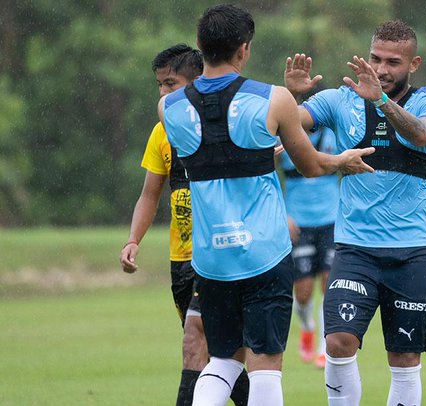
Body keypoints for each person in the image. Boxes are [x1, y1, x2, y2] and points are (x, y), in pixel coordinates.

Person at [159, 5, 374, 406]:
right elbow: (309, 165)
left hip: (211, 259)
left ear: (201, 47)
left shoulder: (169, 109)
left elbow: (221, 134)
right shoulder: (273, 99)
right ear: (244, 50)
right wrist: (341, 161)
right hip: (263, 253)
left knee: (223, 361)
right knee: (265, 365)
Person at [285, 20, 426, 406]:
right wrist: (291, 99)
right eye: (375, 58)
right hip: (355, 250)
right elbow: (289, 126)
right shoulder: (339, 100)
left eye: (393, 61)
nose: (381, 68)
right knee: (339, 341)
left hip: (413, 251)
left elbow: (423, 134)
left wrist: (380, 101)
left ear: (414, 64)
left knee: (405, 356)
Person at [119, 44, 250, 406]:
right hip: (182, 262)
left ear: (196, 83)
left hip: (221, 257)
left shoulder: (225, 125)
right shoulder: (160, 135)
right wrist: (134, 240)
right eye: (160, 85)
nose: (162, 93)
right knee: (213, 354)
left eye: (171, 84)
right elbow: (149, 195)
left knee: (195, 341)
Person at [279, 120, 339, 369]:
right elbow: (263, 174)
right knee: (302, 292)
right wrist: (282, 213)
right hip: (298, 223)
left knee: (329, 285)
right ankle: (307, 328)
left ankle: (325, 348)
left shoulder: (333, 138)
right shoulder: (281, 140)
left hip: (331, 220)